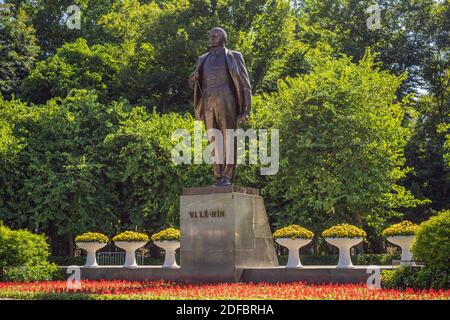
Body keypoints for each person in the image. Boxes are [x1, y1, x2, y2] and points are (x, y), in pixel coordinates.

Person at [189, 27, 252, 186]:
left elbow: (245, 85)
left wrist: (245, 110)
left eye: (214, 35)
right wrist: (193, 78)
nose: (211, 38)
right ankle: (218, 174)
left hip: (227, 100)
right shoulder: (202, 59)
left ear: (223, 38)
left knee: (229, 138)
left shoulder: (234, 56)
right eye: (210, 35)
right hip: (208, 102)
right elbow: (193, 84)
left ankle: (228, 175)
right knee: (213, 139)